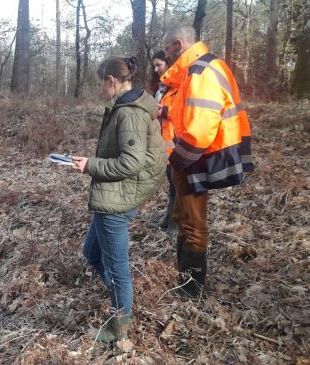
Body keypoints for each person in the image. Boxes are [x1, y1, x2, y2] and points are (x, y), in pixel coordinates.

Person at [71, 56, 166, 342]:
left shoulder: (129, 113)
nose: (100, 89)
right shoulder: (125, 106)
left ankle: (118, 326)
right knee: (92, 254)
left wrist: (91, 165)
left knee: (117, 268)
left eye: (101, 83)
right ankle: (121, 304)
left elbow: (130, 163)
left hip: (118, 198)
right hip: (114, 193)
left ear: (112, 81)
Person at [160, 25, 253, 297]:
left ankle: (191, 290)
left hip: (197, 157)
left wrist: (177, 161)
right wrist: (164, 111)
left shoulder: (199, 72)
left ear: (178, 44)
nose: (167, 56)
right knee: (184, 217)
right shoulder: (200, 69)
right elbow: (189, 112)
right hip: (198, 155)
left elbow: (200, 128)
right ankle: (185, 281)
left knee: (193, 223)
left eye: (167, 49)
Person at [150, 51, 177, 234]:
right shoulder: (160, 88)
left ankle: (175, 224)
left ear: (168, 63)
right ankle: (168, 219)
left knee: (177, 185)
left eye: (159, 65)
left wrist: (164, 111)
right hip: (163, 143)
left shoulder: (179, 86)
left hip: (177, 143)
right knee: (172, 184)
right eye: (154, 66)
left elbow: (185, 111)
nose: (156, 69)